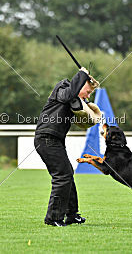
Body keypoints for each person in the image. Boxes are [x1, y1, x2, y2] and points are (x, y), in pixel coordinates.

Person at [34, 67, 99, 227]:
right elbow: (68, 94)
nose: (88, 96)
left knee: (67, 174)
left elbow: (78, 109)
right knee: (62, 176)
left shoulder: (74, 99)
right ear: (81, 83)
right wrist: (82, 74)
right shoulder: (62, 87)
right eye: (88, 92)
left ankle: (72, 215)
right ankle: (53, 218)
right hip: (46, 139)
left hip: (55, 141)